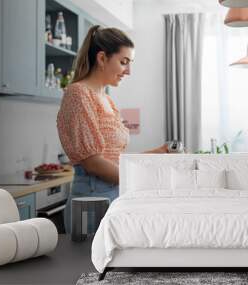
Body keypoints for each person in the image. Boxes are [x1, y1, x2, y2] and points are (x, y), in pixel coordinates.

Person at [57, 26, 168, 233]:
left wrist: (159, 153)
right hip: (91, 201)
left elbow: (114, 158)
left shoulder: (107, 100)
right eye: (123, 62)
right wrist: (142, 179)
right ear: (102, 58)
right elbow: (94, 164)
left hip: (114, 196)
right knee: (90, 264)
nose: (128, 71)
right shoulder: (78, 94)